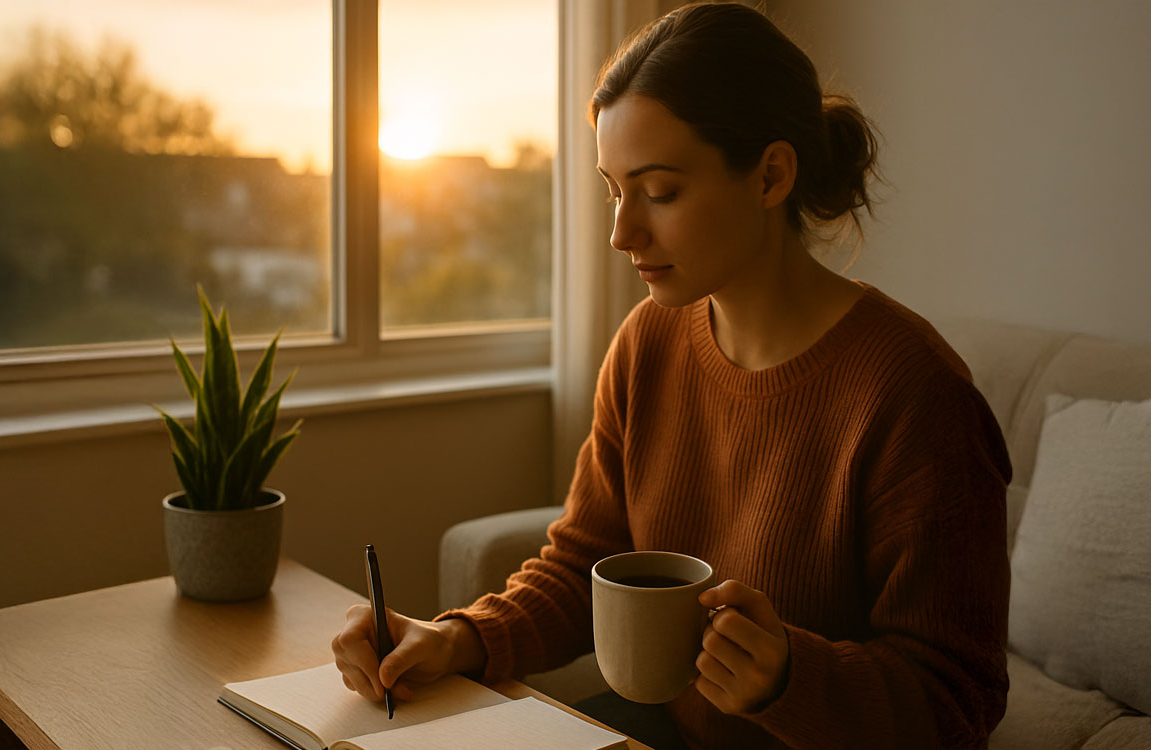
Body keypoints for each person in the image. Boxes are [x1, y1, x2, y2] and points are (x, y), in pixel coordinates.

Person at [333, 3, 1012, 748]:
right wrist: (456, 639)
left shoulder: (915, 396)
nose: (623, 233)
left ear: (771, 175)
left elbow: (958, 703)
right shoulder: (647, 344)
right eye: (614, 190)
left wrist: (789, 678)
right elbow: (587, 566)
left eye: (660, 192)